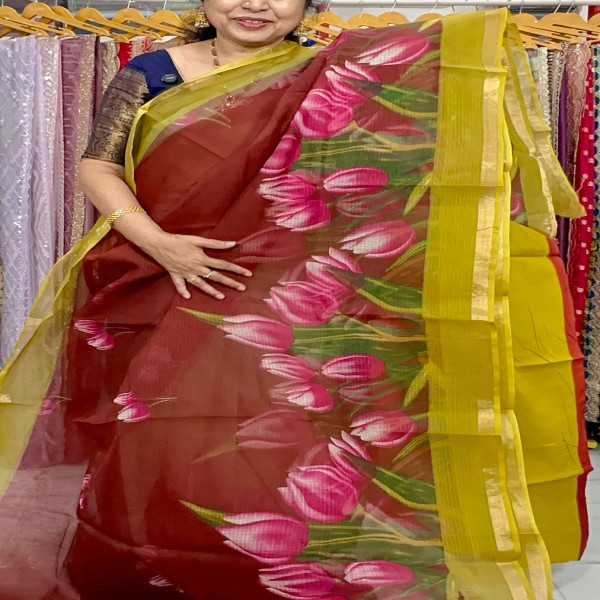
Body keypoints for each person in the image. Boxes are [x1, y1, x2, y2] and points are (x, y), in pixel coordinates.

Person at [0, 5, 590, 600]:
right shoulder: (153, 73)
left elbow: (370, 176)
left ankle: (266, 573)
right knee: (157, 432)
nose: (255, 5)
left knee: (265, 438)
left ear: (309, 7)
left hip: (280, 286)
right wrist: (162, 246)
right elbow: (98, 166)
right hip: (163, 271)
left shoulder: (331, 74)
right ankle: (157, 563)